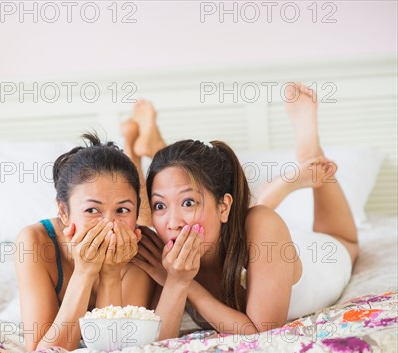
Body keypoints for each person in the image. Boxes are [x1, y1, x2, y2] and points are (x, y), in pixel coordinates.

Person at [128, 83, 358, 338]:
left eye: (189, 203)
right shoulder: (163, 248)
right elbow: (157, 343)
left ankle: (310, 154)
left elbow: (261, 331)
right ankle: (149, 149)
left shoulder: (263, 225)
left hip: (318, 257)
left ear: (224, 205)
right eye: (159, 205)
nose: (173, 223)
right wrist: (174, 281)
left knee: (346, 242)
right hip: (239, 233)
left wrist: (184, 283)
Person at [15, 134, 154, 351]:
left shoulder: (140, 249)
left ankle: (135, 151)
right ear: (63, 211)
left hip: (139, 229)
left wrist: (111, 273)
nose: (109, 223)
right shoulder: (34, 242)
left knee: (148, 223)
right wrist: (84, 272)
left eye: (123, 209)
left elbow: (113, 350)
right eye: (92, 210)